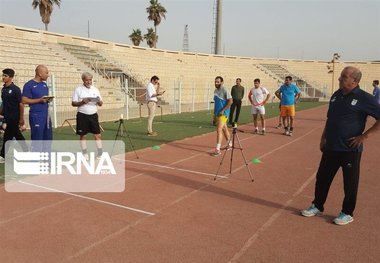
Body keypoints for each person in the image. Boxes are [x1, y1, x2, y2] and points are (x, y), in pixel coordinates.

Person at [301, 66, 380, 225]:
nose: (339, 79)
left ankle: (347, 212)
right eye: (341, 76)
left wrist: (363, 136)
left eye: (344, 77)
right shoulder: (336, 95)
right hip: (331, 146)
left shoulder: (364, 98)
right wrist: (323, 137)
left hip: (349, 149)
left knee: (350, 183)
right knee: (322, 178)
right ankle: (317, 205)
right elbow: (330, 119)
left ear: (355, 81)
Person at [72, 72, 103, 159]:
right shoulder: (78, 89)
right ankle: (84, 153)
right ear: (83, 80)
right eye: (87, 80)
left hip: (93, 115)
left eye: (90, 80)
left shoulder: (95, 89)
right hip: (82, 115)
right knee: (83, 135)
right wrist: (82, 102)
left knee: (98, 135)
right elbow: (73, 103)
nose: (89, 82)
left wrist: (98, 101)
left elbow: (101, 103)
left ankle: (100, 153)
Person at [22, 65, 53, 152]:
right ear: (40, 73)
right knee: (37, 140)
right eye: (46, 73)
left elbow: (43, 99)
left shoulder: (44, 85)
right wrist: (39, 100)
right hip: (36, 116)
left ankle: (47, 162)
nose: (48, 75)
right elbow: (24, 100)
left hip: (46, 116)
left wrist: (47, 99)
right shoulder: (29, 85)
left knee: (48, 139)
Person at [0, 68, 28, 163]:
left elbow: (21, 104)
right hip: (7, 117)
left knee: (8, 136)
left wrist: (21, 118)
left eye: (5, 76)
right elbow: (4, 103)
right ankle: (26, 152)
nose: (3, 77)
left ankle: (3, 156)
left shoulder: (16, 89)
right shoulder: (3, 89)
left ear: (11, 77)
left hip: (14, 117)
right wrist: (1, 113)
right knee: (16, 135)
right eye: (3, 75)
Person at [212, 76, 232, 156]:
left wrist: (223, 110)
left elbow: (231, 101)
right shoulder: (215, 91)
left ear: (222, 82)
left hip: (224, 113)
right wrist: (214, 114)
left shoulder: (225, 90)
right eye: (215, 81)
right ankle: (230, 144)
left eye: (218, 82)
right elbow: (216, 103)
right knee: (224, 128)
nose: (216, 83)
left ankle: (217, 149)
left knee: (219, 129)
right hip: (217, 113)